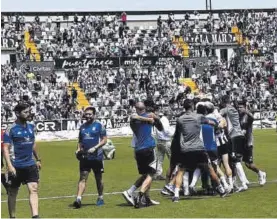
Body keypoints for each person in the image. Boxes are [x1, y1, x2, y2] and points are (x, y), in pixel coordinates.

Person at [172, 99, 227, 202]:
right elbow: (211, 122)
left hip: (186, 148)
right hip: (198, 148)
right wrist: (217, 124)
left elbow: (177, 134)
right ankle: (221, 190)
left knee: (181, 171)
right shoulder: (198, 117)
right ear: (192, 106)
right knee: (210, 169)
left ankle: (176, 195)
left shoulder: (180, 119)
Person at [3, 103, 41, 218]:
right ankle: (12, 216)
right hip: (16, 166)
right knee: (13, 192)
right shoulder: (11, 129)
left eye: (29, 111)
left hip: (30, 164)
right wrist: (9, 166)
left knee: (33, 188)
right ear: (17, 113)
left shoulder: (31, 126)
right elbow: (5, 148)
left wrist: (38, 159)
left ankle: (35, 216)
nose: (28, 114)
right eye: (25, 112)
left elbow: (33, 144)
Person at [122, 102, 163, 208]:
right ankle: (140, 195)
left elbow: (159, 125)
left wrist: (154, 118)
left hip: (138, 150)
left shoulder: (136, 119)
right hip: (148, 148)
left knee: (145, 175)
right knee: (151, 174)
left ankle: (143, 197)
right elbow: (159, 125)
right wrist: (151, 118)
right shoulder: (142, 117)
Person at [73, 106, 107, 208]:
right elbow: (80, 141)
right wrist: (78, 149)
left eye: (89, 114)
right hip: (85, 157)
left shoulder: (99, 126)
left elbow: (104, 140)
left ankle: (100, 197)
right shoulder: (82, 127)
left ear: (94, 115)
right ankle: (78, 199)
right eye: (86, 114)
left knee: (98, 179)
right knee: (82, 178)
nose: (87, 116)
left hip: (97, 157)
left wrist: (95, 147)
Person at [220, 95, 249, 191]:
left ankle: (244, 183)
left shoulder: (228, 109)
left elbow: (218, 114)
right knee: (233, 161)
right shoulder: (231, 109)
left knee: (235, 161)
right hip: (236, 136)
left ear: (224, 102)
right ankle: (235, 183)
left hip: (235, 137)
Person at [237, 102, 266, 185]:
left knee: (249, 164)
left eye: (241, 107)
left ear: (245, 107)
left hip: (248, 142)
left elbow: (252, 118)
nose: (239, 109)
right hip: (241, 142)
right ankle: (243, 180)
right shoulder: (239, 117)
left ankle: (261, 173)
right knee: (241, 162)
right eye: (238, 107)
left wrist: (246, 111)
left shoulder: (247, 116)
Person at [154, 111, 173, 180]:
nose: (171, 117)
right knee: (172, 158)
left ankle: (158, 174)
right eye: (171, 116)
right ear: (169, 115)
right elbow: (167, 131)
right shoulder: (165, 121)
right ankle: (173, 173)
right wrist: (174, 134)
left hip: (159, 141)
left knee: (159, 159)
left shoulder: (161, 120)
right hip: (166, 141)